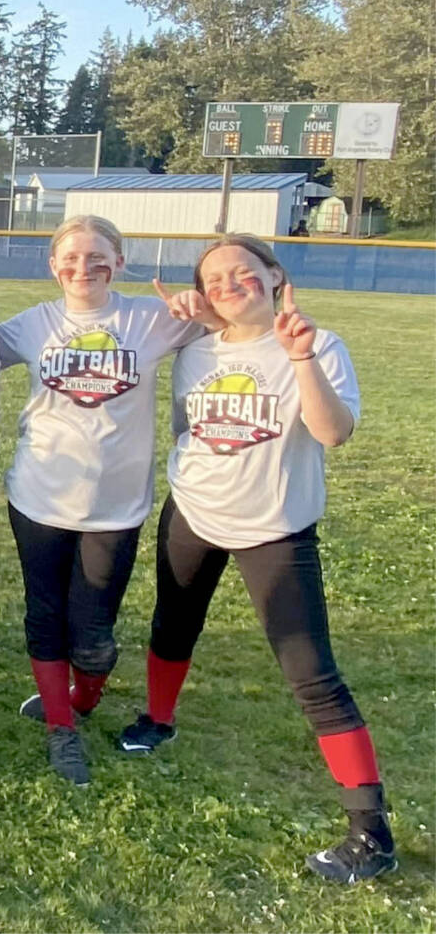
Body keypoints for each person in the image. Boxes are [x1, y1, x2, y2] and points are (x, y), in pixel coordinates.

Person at [119, 234, 397, 884]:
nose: (227, 284)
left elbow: (332, 432)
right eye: (213, 279)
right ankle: (158, 718)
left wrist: (299, 357)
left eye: (242, 271)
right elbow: (190, 429)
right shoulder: (196, 349)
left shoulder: (317, 343)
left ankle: (371, 831)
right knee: (173, 625)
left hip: (275, 527)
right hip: (193, 511)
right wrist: (200, 317)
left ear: (274, 275)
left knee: (312, 674)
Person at [0, 215, 206, 786]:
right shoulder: (34, 323)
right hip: (39, 494)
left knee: (93, 637)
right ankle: (61, 729)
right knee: (44, 616)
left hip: (115, 505)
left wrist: (200, 307)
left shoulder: (150, 318)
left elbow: (234, 326)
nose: (82, 267)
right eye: (70, 257)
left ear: (119, 261)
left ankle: (84, 694)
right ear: (53, 265)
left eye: (96, 257)